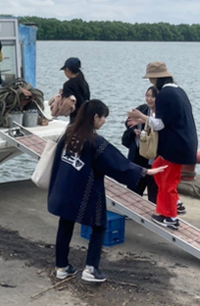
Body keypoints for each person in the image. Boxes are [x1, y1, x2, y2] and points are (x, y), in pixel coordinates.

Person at [48, 100, 166, 283]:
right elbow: (117, 164)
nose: (104, 122)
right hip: (85, 192)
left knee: (66, 224)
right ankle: (91, 269)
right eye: (104, 118)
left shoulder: (68, 133)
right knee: (99, 225)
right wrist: (145, 171)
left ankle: (61, 267)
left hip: (63, 189)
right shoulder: (96, 142)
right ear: (96, 117)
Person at [127, 62, 197, 230]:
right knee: (158, 169)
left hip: (176, 147)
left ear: (158, 78)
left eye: (151, 79)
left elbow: (160, 124)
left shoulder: (165, 94)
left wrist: (141, 117)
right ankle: (174, 205)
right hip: (183, 144)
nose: (151, 82)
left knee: (169, 182)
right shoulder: (178, 91)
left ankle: (172, 218)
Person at [122, 86, 159, 204]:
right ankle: (132, 207)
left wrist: (145, 122)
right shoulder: (142, 109)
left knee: (153, 184)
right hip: (138, 152)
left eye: (152, 96)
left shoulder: (162, 113)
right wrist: (134, 131)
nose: (149, 99)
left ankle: (153, 208)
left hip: (153, 154)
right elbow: (128, 122)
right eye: (147, 96)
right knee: (135, 181)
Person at [60, 57, 90, 124]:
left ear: (67, 70)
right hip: (87, 113)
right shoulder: (83, 81)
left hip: (76, 116)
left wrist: (62, 94)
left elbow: (67, 102)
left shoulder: (68, 85)